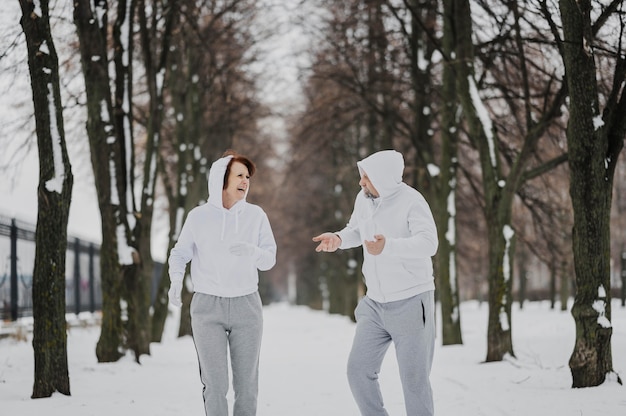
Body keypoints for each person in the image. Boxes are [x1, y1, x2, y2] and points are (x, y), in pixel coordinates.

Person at [312, 149, 438, 416]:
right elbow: (357, 230)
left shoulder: (412, 201)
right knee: (358, 371)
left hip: (411, 302)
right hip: (375, 304)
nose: (361, 182)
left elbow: (429, 243)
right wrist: (338, 238)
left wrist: (389, 246)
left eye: (367, 177)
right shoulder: (364, 199)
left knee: (414, 382)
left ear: (384, 178)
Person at [168, 150, 277, 416]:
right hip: (207, 307)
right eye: (239, 175)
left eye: (247, 177)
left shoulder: (256, 215)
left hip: (246, 306)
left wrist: (253, 251)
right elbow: (180, 253)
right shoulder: (198, 217)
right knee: (215, 385)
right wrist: (175, 281)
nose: (245, 181)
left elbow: (269, 259)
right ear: (222, 179)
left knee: (247, 386)